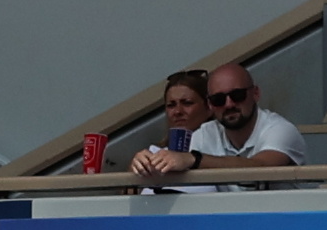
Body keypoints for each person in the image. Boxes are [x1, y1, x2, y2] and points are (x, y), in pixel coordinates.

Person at [126, 61, 305, 185]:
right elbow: (173, 170)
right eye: (219, 99)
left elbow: (261, 168)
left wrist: (193, 159)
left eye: (237, 96)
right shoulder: (205, 134)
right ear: (210, 105)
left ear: (255, 94)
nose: (229, 104)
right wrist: (146, 164)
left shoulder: (280, 129)